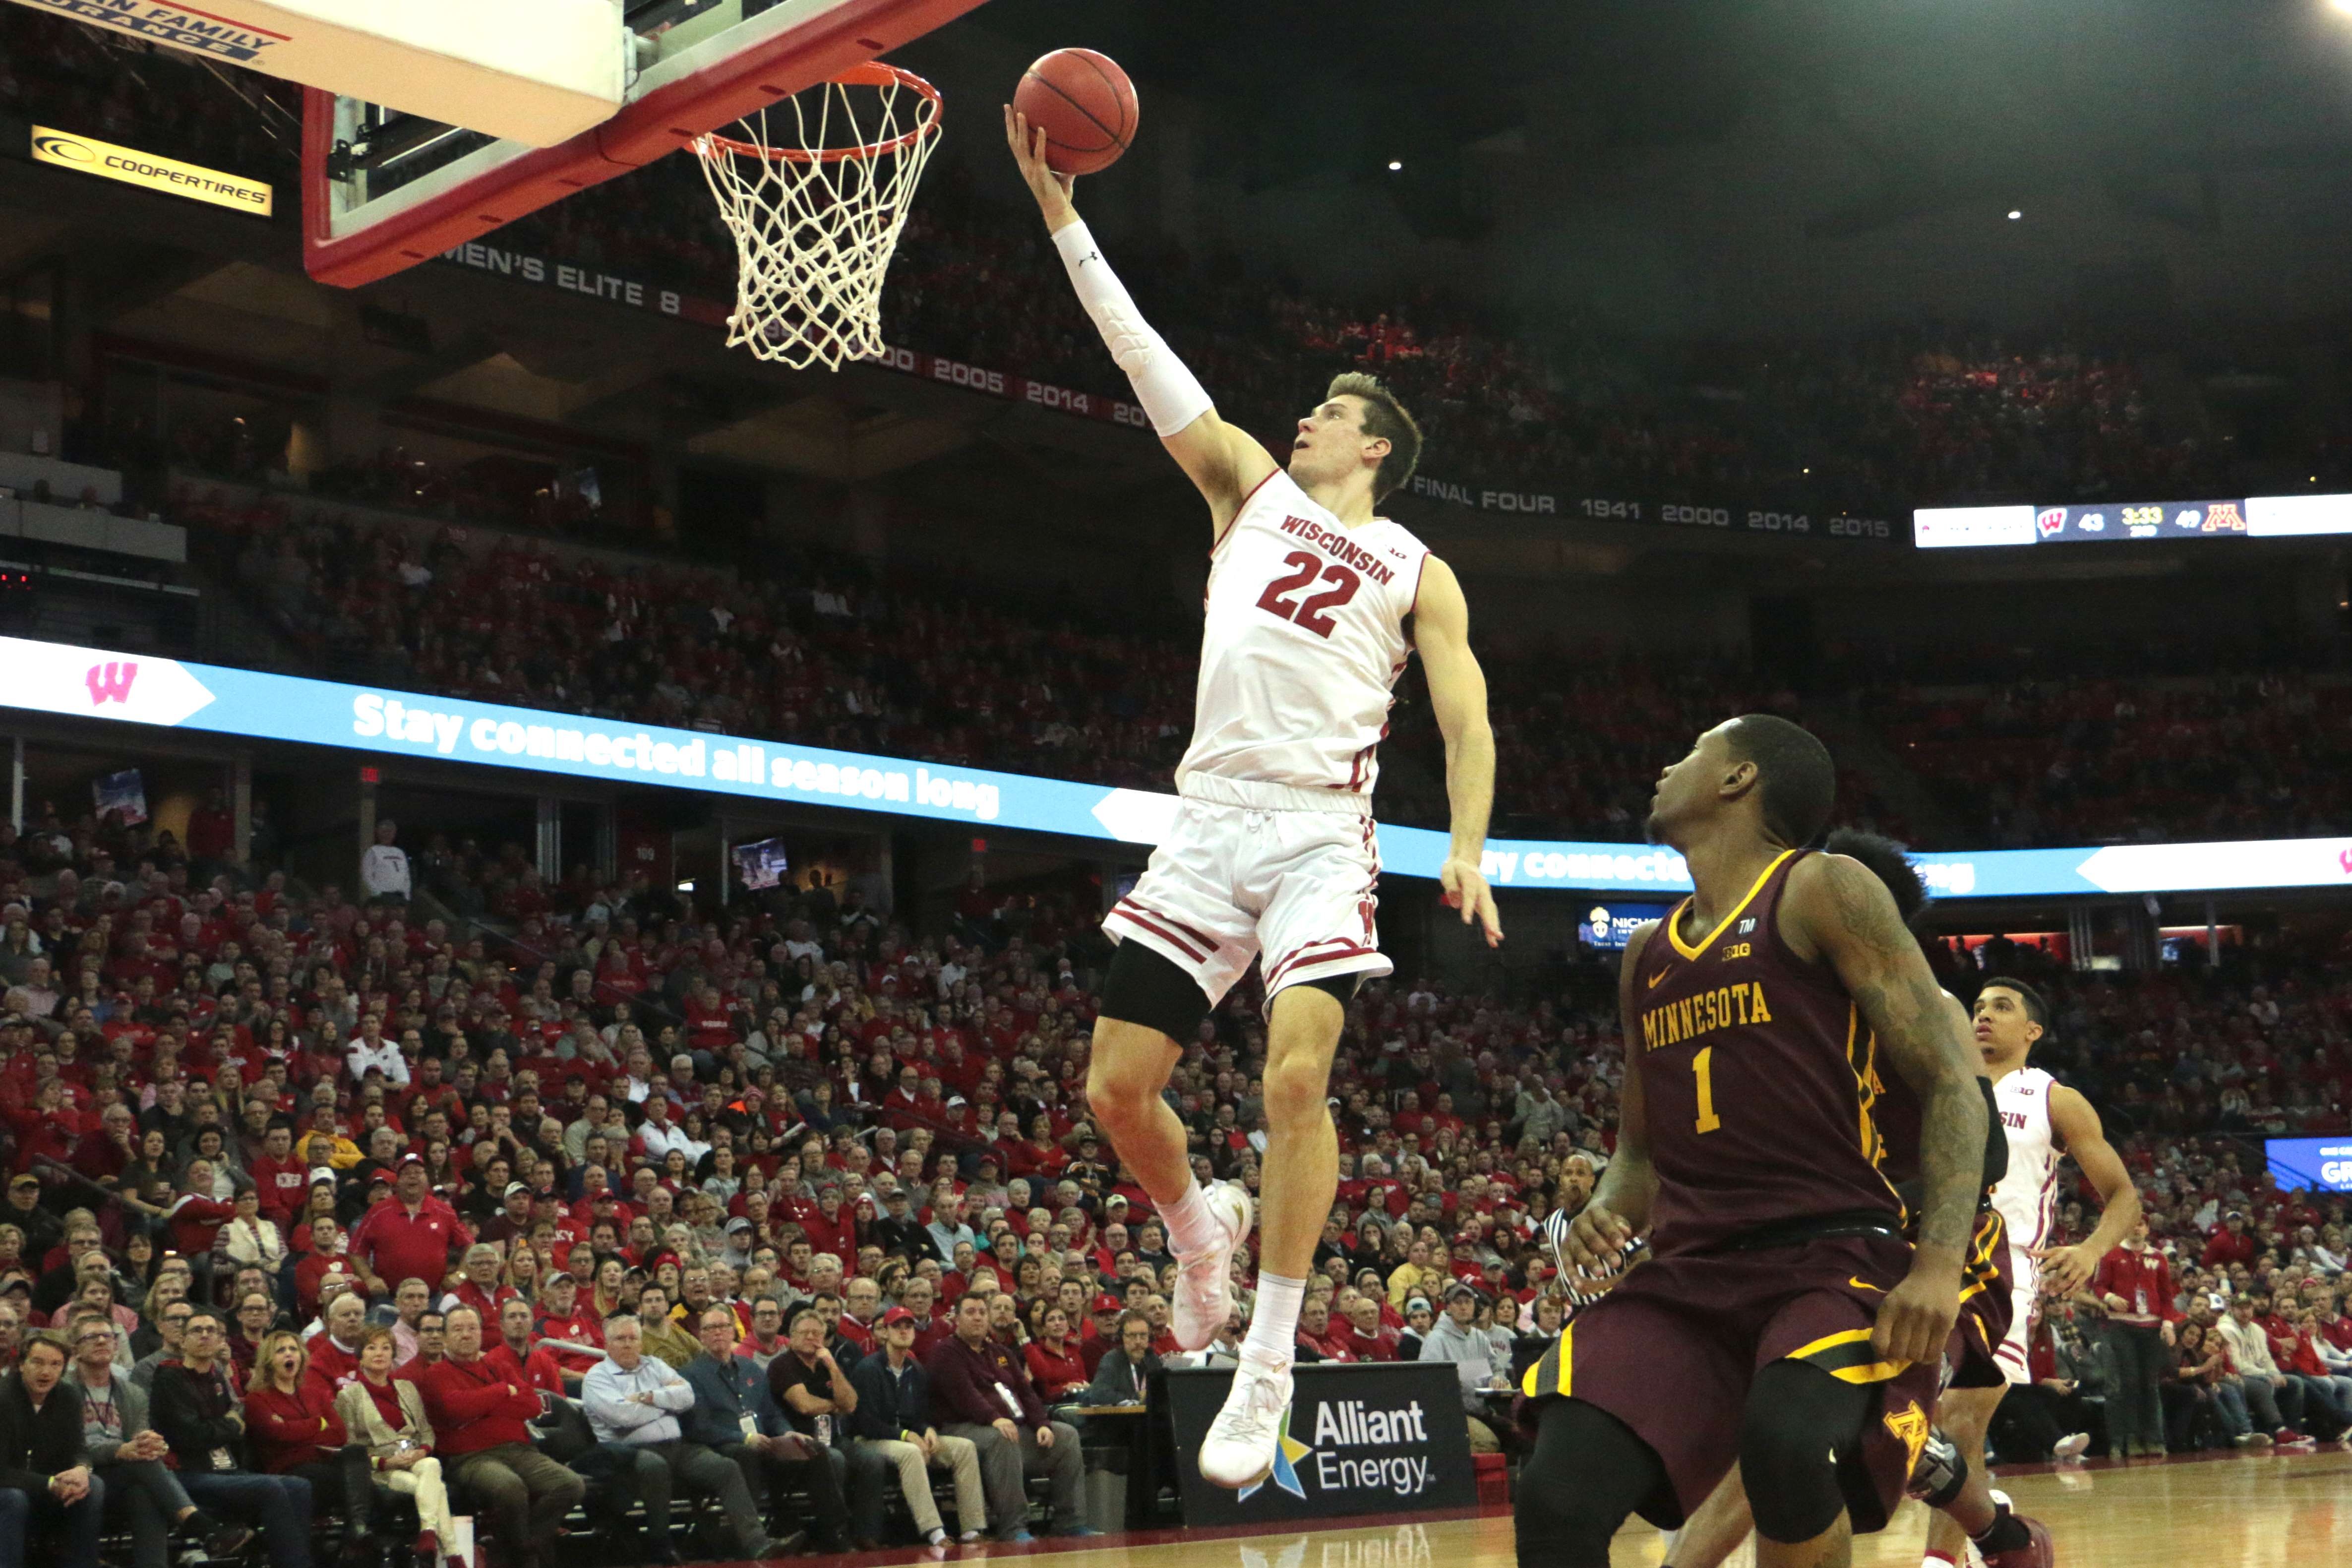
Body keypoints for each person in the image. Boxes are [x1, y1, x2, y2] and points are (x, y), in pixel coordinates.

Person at [1004, 100, 1501, 1492]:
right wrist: (1058, 210)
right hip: (1206, 818)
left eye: (1328, 414)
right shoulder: (1243, 488)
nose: (1301, 418)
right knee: (1115, 1092)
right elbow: (1135, 350)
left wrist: (1463, 843)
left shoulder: (1415, 566)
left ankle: (1269, 1354)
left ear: (1373, 450)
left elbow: (1462, 716)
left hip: (1315, 834)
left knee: (1294, 1072)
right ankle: (1195, 1227)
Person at [1516, 717, 1990, 1568]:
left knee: (1787, 1444)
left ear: (1737, 779)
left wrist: (1937, 1269)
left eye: (1689, 752)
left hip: (1830, 1252)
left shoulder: (1820, 887)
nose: (1666, 765)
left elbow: (1952, 1084)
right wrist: (1606, 1206)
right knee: (1556, 1492)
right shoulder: (1645, 953)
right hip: (1690, 1270)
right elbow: (1639, 1154)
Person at [581, 1314, 772, 1564]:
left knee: (726, 1468)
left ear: (641, 1343)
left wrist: (648, 1397)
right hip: (629, 1452)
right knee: (655, 1467)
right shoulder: (597, 1377)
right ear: (607, 1344)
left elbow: (687, 1397)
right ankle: (661, 1545)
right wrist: (667, 1404)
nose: (628, 1344)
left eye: (633, 1338)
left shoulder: (655, 1365)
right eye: (620, 1339)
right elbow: (621, 1417)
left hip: (677, 1446)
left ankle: (757, 1543)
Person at [68, 1317, 251, 1568]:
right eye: (91, 1337)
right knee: (144, 1474)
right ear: (75, 1349)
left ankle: (193, 1536)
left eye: (108, 1336)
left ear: (116, 1345)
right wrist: (120, 1450)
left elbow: (139, 1439)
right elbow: (70, 1448)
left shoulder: (133, 1393)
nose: (101, 1340)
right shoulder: (63, 1390)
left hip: (125, 1473)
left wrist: (152, 1444)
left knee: (145, 1490)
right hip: (81, 1472)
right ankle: (198, 1525)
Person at [418, 1305, 584, 1568]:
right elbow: (457, 1410)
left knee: (571, 1484)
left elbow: (531, 1406)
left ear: (481, 1334)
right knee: (510, 1487)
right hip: (469, 1457)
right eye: (458, 1329)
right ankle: (526, 1555)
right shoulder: (436, 1375)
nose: (466, 1335)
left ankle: (521, 1546)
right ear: (446, 1337)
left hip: (520, 1450)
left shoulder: (499, 1366)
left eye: (472, 1328)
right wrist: (502, 1392)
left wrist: (482, 1407)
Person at [678, 1305, 850, 1554]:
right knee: (745, 1453)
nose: (717, 1333)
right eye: (710, 1328)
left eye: (723, 1327)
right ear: (701, 1336)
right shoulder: (690, 1375)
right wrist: (744, 1438)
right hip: (724, 1448)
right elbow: (699, 1428)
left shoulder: (751, 1369)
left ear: (732, 1332)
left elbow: (772, 1414)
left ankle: (835, 1533)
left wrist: (787, 1432)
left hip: (766, 1444)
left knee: (813, 1449)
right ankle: (752, 1541)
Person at [149, 1310, 313, 1568]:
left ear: (220, 1340)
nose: (205, 1335)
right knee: (270, 1488)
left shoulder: (217, 1376)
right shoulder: (170, 1377)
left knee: (299, 1486)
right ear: (183, 1341)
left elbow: (238, 1422)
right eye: (197, 1330)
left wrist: (227, 1425)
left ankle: (295, 1560)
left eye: (211, 1331)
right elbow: (192, 1436)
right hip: (189, 1472)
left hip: (228, 1468)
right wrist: (229, 1426)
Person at [926, 1295, 1090, 1542]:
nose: (978, 1317)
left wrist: (1042, 1424)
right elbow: (965, 1395)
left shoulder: (1000, 1352)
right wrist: (994, 1418)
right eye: (971, 1312)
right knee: (1002, 1437)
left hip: (1012, 1426)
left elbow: (1026, 1391)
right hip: (961, 1428)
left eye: (982, 1312)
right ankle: (1014, 1527)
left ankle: (1070, 1521)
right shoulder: (946, 1352)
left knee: (1066, 1435)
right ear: (956, 1319)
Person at [845, 1306, 987, 1548]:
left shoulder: (916, 1369)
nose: (903, 1332)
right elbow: (865, 1423)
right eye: (897, 1327)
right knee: (910, 1453)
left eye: (908, 1327)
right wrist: (906, 1435)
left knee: (964, 1447)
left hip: (907, 1437)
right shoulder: (868, 1369)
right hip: (872, 1440)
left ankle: (972, 1528)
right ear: (885, 1333)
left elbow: (921, 1416)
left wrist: (928, 1430)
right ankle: (934, 1531)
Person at [244, 1331, 375, 1564]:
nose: (289, 1354)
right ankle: (354, 1538)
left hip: (323, 1463)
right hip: (288, 1469)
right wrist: (318, 1423)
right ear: (268, 1360)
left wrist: (297, 1429)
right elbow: (278, 1435)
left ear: (302, 1357)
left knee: (356, 1452)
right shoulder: (258, 1399)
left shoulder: (314, 1394)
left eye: (293, 1349)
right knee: (365, 1486)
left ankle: (356, 1527)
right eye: (281, 1350)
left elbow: (339, 1432)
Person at [333, 1327, 456, 1568]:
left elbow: (427, 1432)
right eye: (371, 1348)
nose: (379, 1353)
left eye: (386, 1348)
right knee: (434, 1488)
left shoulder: (407, 1388)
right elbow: (351, 1449)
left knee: (431, 1464)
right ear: (360, 1357)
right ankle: (452, 1553)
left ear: (393, 1355)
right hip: (383, 1469)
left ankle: (430, 1536)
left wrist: (422, 1451)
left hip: (416, 1460)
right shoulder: (349, 1397)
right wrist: (385, 1462)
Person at [0, 1331, 101, 1568]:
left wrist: (81, 1469)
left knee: (93, 1486)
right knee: (14, 1499)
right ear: (22, 1365)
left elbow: (80, 1448)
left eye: (56, 1364)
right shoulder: (3, 1398)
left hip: (47, 1485)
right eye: (38, 1362)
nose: (46, 1372)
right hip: (9, 1488)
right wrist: (50, 1483)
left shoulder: (69, 1396)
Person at [1416, 1283, 1510, 1453]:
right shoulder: (1436, 1340)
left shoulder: (1479, 1337)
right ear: (1449, 1307)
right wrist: (1468, 1375)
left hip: (1482, 1409)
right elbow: (1428, 1381)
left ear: (1475, 1306)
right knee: (1486, 1442)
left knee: (1519, 1435)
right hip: (1453, 1415)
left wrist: (1498, 1379)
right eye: (1458, 1302)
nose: (1463, 1306)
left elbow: (1497, 1369)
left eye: (1468, 1302)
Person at [1081, 1311, 1159, 1407]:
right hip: (1117, 1419)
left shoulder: (1152, 1359)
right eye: (1132, 1336)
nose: (1138, 1342)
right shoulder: (1112, 1360)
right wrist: (1137, 1397)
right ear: (1122, 1338)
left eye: (1143, 1335)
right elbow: (1098, 1395)